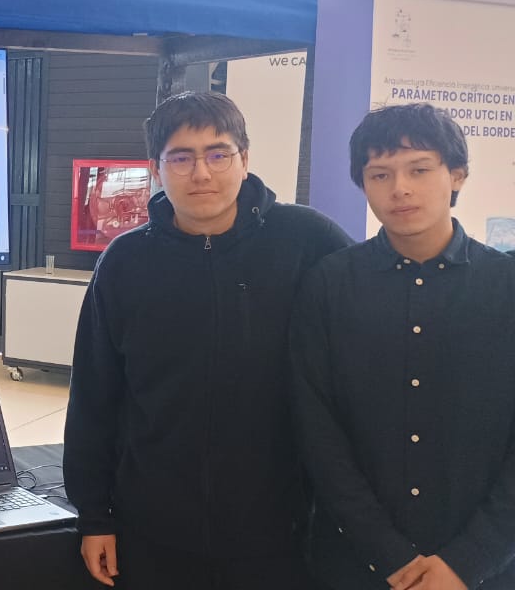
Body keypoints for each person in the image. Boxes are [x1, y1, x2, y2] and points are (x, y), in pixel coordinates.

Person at [64, 91, 351, 589]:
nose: (201, 173)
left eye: (218, 154)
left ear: (245, 160)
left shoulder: (309, 241)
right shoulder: (125, 262)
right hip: (154, 530)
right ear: (156, 170)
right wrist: (94, 515)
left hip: (282, 532)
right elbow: (93, 395)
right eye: (181, 158)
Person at [291, 104, 515, 590]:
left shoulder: (506, 286)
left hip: (486, 570)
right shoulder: (328, 284)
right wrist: (388, 555)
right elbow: (317, 430)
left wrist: (469, 561)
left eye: (419, 169)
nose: (400, 189)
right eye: (380, 174)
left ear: (457, 174)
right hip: (355, 563)